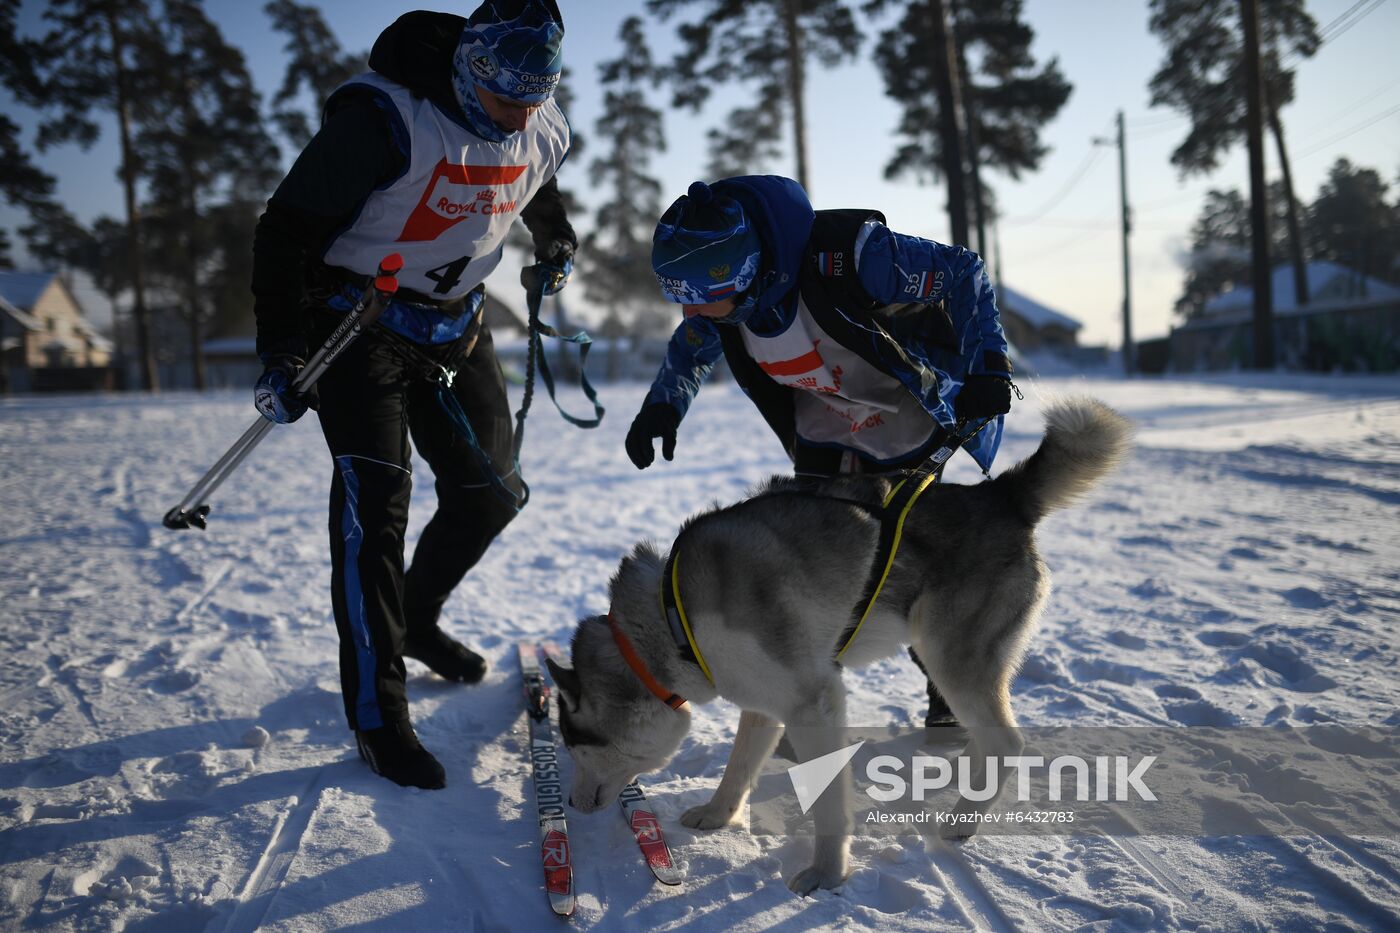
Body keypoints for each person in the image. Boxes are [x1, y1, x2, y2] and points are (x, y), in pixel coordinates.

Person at [250, 1, 575, 789]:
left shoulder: (534, 116)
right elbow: (284, 231)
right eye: (504, 99)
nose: (517, 116)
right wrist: (283, 349)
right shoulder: (383, 120)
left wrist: (554, 236)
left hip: (458, 326)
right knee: (376, 509)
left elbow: (533, 180)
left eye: (534, 100)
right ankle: (377, 715)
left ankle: (417, 619)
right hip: (357, 324)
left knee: (492, 492)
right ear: (470, 68)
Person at [625, 176, 1014, 728]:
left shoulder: (852, 258)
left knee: (912, 556)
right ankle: (806, 689)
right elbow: (691, 347)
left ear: (747, 272)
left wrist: (988, 367)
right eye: (681, 299)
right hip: (827, 423)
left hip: (905, 414)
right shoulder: (727, 302)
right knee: (814, 558)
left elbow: (963, 272)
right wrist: (663, 406)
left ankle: (947, 688)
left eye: (702, 300)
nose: (691, 314)